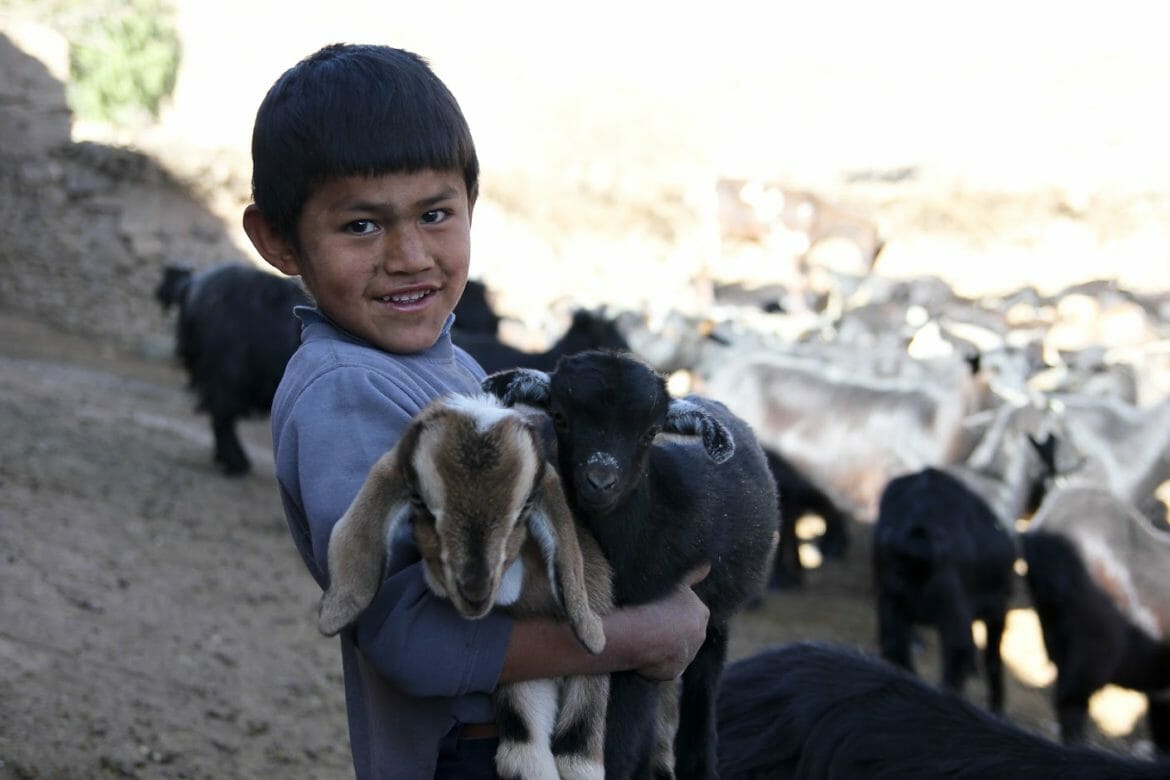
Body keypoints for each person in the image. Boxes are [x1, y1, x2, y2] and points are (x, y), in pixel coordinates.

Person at [241, 43, 711, 780]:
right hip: (472, 752)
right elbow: (412, 641)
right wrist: (640, 634)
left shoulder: (454, 370)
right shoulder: (346, 390)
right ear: (278, 241)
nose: (409, 256)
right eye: (361, 226)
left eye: (435, 214)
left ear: (470, 205)